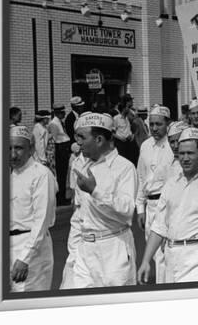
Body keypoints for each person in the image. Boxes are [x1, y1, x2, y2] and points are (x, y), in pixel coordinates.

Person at [137, 127, 198, 283]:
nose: (185, 158)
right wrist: (145, 261)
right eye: (181, 153)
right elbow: (159, 226)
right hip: (171, 257)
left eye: (190, 153)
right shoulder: (170, 185)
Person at [62, 112, 138, 288]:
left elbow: (127, 208)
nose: (77, 142)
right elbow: (79, 215)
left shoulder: (124, 168)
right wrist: (72, 255)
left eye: (82, 137)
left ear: (99, 140)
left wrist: (95, 191)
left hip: (114, 250)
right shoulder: (81, 166)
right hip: (84, 251)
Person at [9, 125, 57, 292]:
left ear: (30, 148)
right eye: (9, 148)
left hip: (31, 249)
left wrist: (25, 258)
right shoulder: (7, 173)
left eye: (19, 148)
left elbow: (41, 221)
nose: (13, 154)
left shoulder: (41, 175)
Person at [135, 106, 174, 283]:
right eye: (151, 124)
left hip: (167, 205)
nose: (155, 128)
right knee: (154, 253)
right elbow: (141, 178)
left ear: (167, 124)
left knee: (164, 253)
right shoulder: (145, 146)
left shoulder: (173, 146)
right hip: (149, 206)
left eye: (159, 124)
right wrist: (140, 208)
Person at [48, 103, 71, 205]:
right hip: (60, 149)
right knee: (61, 175)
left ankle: (62, 196)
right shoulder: (54, 123)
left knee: (63, 174)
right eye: (62, 113)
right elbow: (54, 139)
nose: (64, 114)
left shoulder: (59, 122)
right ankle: (60, 198)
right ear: (57, 113)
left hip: (64, 147)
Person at [113, 93, 138, 165]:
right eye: (128, 108)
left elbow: (135, 127)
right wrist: (120, 138)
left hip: (129, 142)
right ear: (124, 108)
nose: (129, 110)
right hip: (121, 143)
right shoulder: (116, 118)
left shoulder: (128, 118)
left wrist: (132, 135)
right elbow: (112, 132)